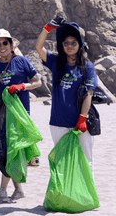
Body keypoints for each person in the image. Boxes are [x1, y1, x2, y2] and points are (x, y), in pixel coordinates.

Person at [0, 29, 41, 202]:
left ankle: (3, 190)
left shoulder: (21, 61)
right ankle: (18, 190)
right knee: (5, 151)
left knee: (12, 151)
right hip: (0, 115)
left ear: (11, 44)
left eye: (4, 43)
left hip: (20, 115)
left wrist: (22, 86)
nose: (1, 47)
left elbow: (38, 82)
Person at [36, 16, 96, 171]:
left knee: (85, 161)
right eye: (66, 43)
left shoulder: (87, 67)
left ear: (80, 44)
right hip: (58, 122)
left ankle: (86, 196)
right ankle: (65, 196)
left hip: (80, 123)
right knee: (62, 163)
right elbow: (39, 47)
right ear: (61, 45)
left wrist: (82, 118)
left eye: (74, 43)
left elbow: (89, 94)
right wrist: (47, 28)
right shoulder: (56, 63)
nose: (70, 46)